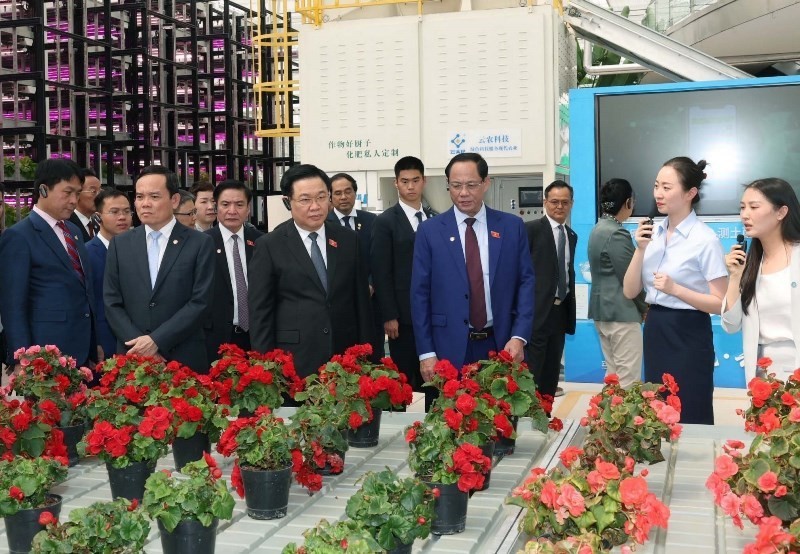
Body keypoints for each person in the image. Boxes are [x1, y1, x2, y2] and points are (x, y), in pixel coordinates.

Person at [411, 152, 535, 410]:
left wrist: (519, 336)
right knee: (449, 428)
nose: (463, 193)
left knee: (499, 425)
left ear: (486, 183)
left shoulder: (512, 227)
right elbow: (419, 294)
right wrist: (426, 353)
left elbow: (526, 283)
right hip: (448, 347)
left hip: (500, 343)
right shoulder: (430, 231)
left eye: (471, 185)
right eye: (456, 186)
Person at [623, 156, 727, 425]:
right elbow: (630, 290)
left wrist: (676, 289)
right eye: (657, 185)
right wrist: (640, 249)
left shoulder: (705, 240)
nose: (658, 193)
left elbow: (721, 303)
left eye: (667, 187)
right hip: (656, 328)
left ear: (690, 193)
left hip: (689, 333)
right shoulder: (653, 234)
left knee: (690, 407)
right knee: (657, 410)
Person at [248, 164, 372, 378]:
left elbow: (360, 301)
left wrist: (364, 355)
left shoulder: (348, 240)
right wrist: (266, 365)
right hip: (294, 359)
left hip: (343, 357)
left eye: (322, 197)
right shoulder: (270, 245)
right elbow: (261, 311)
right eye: (305, 199)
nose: (315, 206)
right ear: (288, 202)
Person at [104, 165, 215, 372]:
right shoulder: (120, 244)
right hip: (132, 357)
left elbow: (201, 302)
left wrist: (157, 341)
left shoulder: (200, 243)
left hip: (183, 358)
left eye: (154, 197)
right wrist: (141, 346)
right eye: (139, 197)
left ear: (174, 200)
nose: (145, 204)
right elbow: (112, 302)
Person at [0, 158, 98, 371]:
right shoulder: (19, 236)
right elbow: (13, 305)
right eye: (67, 192)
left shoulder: (73, 231)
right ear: (43, 190)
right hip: (44, 355)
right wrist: (21, 357)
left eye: (77, 193)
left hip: (82, 350)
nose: (74, 200)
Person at [722, 178, 800, 382]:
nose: (745, 215)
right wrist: (735, 277)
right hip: (762, 375)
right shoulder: (749, 264)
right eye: (742, 207)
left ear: (781, 212)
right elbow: (730, 325)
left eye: (754, 207)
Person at [372, 156, 435, 393]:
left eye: (415, 180)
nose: (411, 186)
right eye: (405, 181)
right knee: (401, 381)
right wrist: (389, 315)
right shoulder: (385, 222)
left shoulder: (435, 218)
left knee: (434, 379)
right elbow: (381, 271)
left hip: (432, 314)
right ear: (396, 184)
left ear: (424, 181)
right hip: (402, 317)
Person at [587, 179, 648, 389]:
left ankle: (605, 420)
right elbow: (631, 278)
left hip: (602, 312)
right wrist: (645, 307)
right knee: (628, 381)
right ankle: (621, 422)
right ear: (628, 202)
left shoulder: (598, 228)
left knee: (613, 377)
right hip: (621, 313)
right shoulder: (617, 233)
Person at [527, 180, 578, 400]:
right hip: (535, 314)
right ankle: (525, 424)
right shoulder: (530, 230)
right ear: (545, 202)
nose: (560, 207)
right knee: (531, 375)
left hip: (559, 312)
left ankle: (545, 422)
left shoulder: (571, 234)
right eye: (554, 202)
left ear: (571, 204)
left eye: (565, 202)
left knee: (551, 375)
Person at [205, 180, 263, 363]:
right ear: (216, 207)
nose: (232, 211)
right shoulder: (202, 243)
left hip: (255, 337)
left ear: (248, 209)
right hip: (216, 338)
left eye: (239, 205)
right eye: (225, 204)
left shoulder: (262, 242)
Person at [326, 172, 382, 360]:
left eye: (348, 191)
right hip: (340, 305)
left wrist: (371, 283)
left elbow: (379, 259)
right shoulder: (324, 224)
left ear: (355, 193)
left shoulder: (372, 221)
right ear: (330, 197)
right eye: (338, 193)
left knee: (371, 355)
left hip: (370, 302)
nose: (343, 197)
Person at [85, 187, 133, 361]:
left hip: (138, 342)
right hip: (104, 343)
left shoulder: (139, 251)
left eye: (127, 211)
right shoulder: (87, 254)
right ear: (98, 217)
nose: (122, 217)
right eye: (114, 212)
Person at [68, 168, 101, 241]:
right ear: (77, 193)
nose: (99, 196)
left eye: (100, 191)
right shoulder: (67, 223)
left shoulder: (99, 223)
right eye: (93, 191)